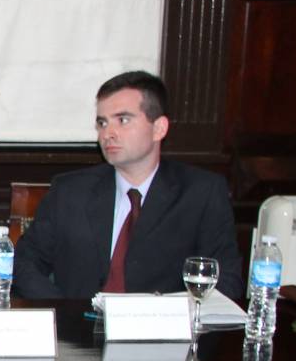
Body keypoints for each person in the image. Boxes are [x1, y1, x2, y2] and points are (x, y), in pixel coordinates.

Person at [13, 71, 242, 300]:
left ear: (159, 128)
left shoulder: (201, 193)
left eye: (123, 120)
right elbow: (24, 264)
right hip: (75, 329)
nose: (108, 134)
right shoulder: (70, 191)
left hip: (162, 331)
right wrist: (64, 314)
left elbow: (226, 281)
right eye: (102, 123)